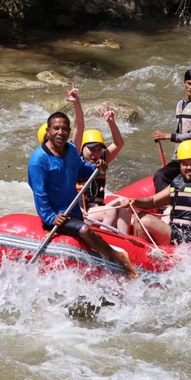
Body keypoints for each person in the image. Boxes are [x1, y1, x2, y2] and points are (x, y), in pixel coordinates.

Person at [28, 112, 138, 279]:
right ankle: (121, 258)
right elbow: (39, 193)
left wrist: (96, 167)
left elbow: (81, 169)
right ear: (48, 132)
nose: (60, 132)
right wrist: (50, 218)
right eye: (56, 128)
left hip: (73, 211)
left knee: (92, 229)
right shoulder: (39, 160)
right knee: (85, 229)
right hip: (58, 215)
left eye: (64, 129)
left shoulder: (71, 150)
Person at [116, 136, 191, 249]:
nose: (189, 168)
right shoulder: (178, 182)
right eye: (185, 164)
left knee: (146, 221)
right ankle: (147, 256)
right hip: (177, 235)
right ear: (179, 165)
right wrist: (134, 201)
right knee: (140, 216)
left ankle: (143, 256)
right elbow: (153, 201)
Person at [76, 109, 132, 234]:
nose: (95, 154)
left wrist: (111, 123)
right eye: (91, 149)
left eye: (98, 149)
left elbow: (119, 144)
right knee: (110, 211)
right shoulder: (75, 164)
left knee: (124, 203)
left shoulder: (103, 159)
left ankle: (125, 241)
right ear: (82, 148)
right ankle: (104, 243)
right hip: (84, 212)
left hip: (99, 208)